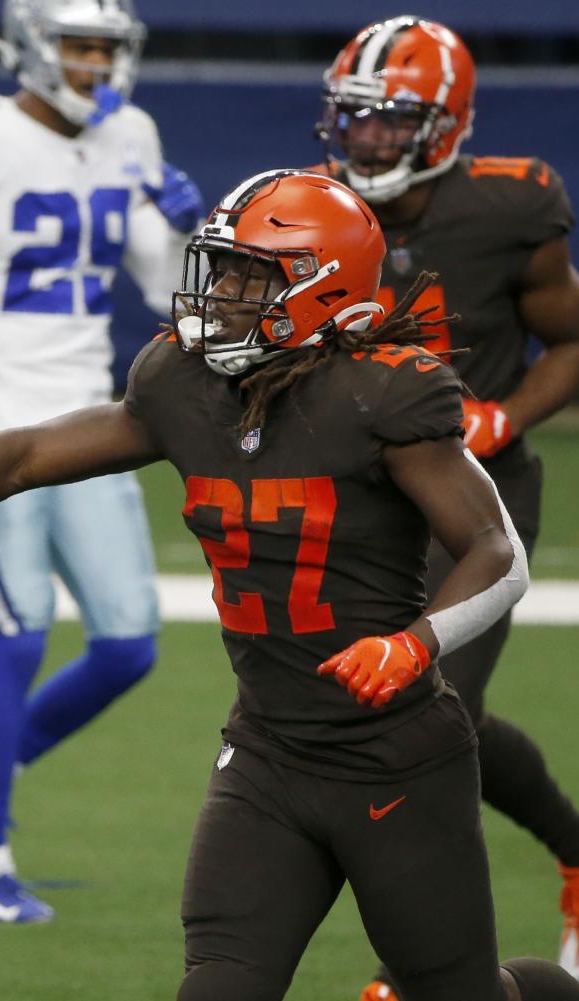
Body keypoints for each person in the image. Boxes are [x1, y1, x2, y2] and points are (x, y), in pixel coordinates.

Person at [0, 168, 579, 1001]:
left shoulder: (384, 392)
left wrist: (414, 642)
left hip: (394, 758)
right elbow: (24, 453)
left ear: (324, 289)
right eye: (223, 269)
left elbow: (497, 553)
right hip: (268, 754)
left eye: (252, 275)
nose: (225, 294)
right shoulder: (183, 383)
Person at [0, 0, 202, 922]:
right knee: (19, 632)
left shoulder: (130, 133)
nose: (96, 64)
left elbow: (165, 288)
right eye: (79, 44)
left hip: (91, 419)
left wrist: (188, 224)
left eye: (108, 47)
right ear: (30, 46)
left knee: (126, 642)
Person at [310, 16, 579, 997]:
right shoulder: (319, 208)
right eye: (356, 120)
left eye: (392, 122)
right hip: (360, 494)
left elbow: (571, 340)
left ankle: (405, 976)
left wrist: (504, 415)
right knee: (387, 714)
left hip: (474, 500)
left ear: (446, 124)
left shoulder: (511, 206)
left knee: (429, 715)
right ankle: (574, 841)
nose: (368, 140)